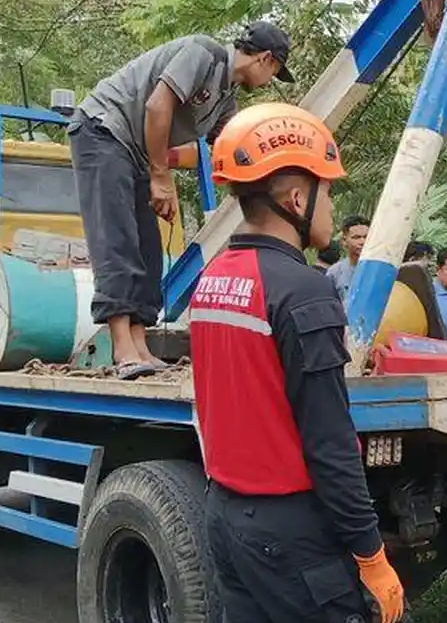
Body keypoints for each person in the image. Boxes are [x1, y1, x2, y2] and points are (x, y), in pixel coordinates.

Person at [190, 102, 441, 623]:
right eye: (327, 192)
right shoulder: (303, 292)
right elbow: (329, 442)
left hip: (227, 516)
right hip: (293, 530)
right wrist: (371, 557)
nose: (330, 206)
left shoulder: (213, 281)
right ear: (296, 199)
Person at [69, 21, 294, 380]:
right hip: (103, 130)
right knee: (117, 237)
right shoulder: (203, 53)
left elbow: (232, 149)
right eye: (275, 73)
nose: (269, 82)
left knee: (148, 247)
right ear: (266, 60)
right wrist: (161, 176)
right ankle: (122, 348)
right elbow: (158, 107)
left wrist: (273, 189)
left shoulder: (225, 99)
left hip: (138, 153)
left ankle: (140, 344)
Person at [325, 214, 370, 299]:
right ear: (344, 241)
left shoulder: (378, 268)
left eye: (366, 237)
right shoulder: (334, 273)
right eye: (356, 237)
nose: (362, 242)